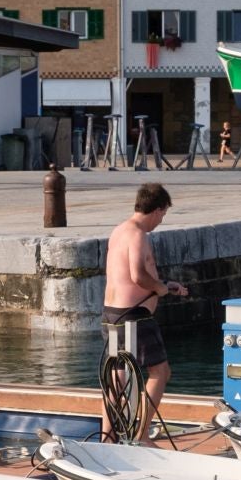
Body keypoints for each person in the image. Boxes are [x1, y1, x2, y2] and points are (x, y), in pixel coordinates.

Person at [103, 183, 187, 443]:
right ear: (158, 209)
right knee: (160, 373)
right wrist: (160, 289)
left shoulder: (119, 231)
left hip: (112, 314)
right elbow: (137, 275)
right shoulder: (138, 234)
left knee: (116, 377)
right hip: (134, 317)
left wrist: (165, 286)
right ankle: (141, 436)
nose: (161, 221)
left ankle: (107, 438)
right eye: (163, 215)